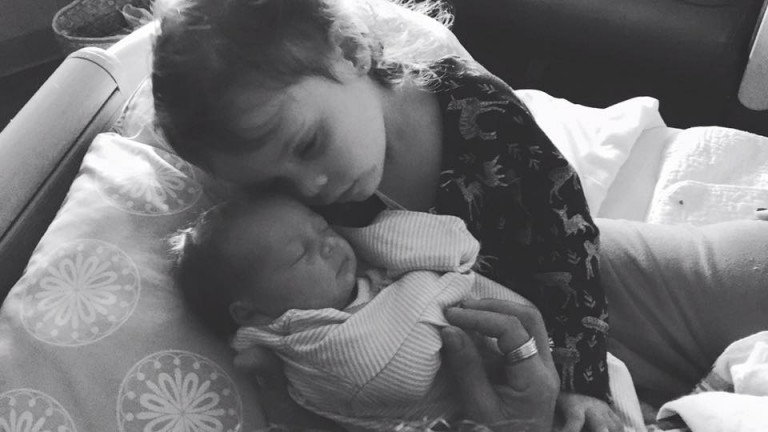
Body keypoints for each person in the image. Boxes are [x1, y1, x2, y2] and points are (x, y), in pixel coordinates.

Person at [151, 0, 614, 429]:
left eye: (309, 145)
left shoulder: (478, 108)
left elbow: (566, 235)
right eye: (274, 184)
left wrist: (581, 381)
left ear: (351, 52)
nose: (309, 188)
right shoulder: (298, 212)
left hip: (556, 311)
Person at [170, 193, 576, 431]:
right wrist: (434, 274)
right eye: (300, 255)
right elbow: (402, 360)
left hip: (530, 380)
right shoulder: (320, 349)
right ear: (249, 313)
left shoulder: (355, 285)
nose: (329, 244)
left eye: (323, 228)